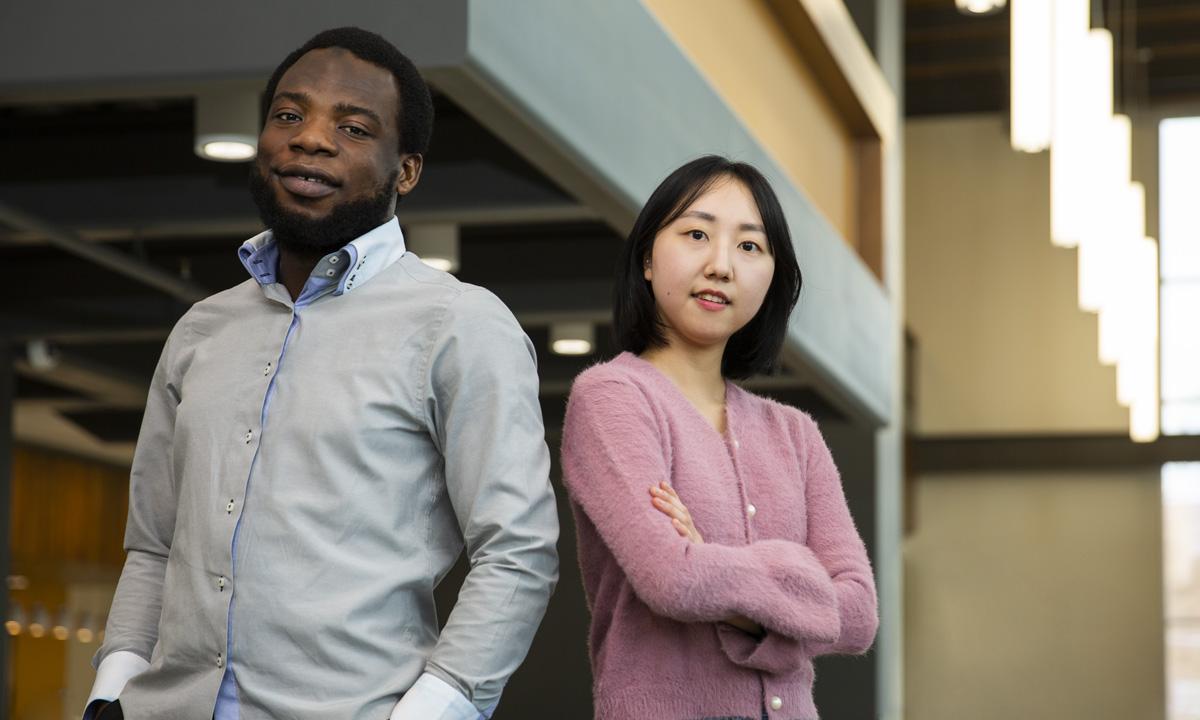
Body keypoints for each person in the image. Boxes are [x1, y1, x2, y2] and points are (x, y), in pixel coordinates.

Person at [83, 27, 559, 720]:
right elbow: (154, 545)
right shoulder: (201, 330)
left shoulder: (460, 325)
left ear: (407, 171)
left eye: (354, 127)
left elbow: (517, 552)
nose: (310, 139)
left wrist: (433, 710)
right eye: (289, 114)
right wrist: (110, 690)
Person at [560, 156, 878, 720]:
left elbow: (858, 616)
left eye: (749, 247)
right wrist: (800, 579)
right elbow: (673, 580)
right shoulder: (611, 396)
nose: (721, 265)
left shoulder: (796, 434)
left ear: (772, 276)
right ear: (648, 260)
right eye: (697, 234)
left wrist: (721, 574)